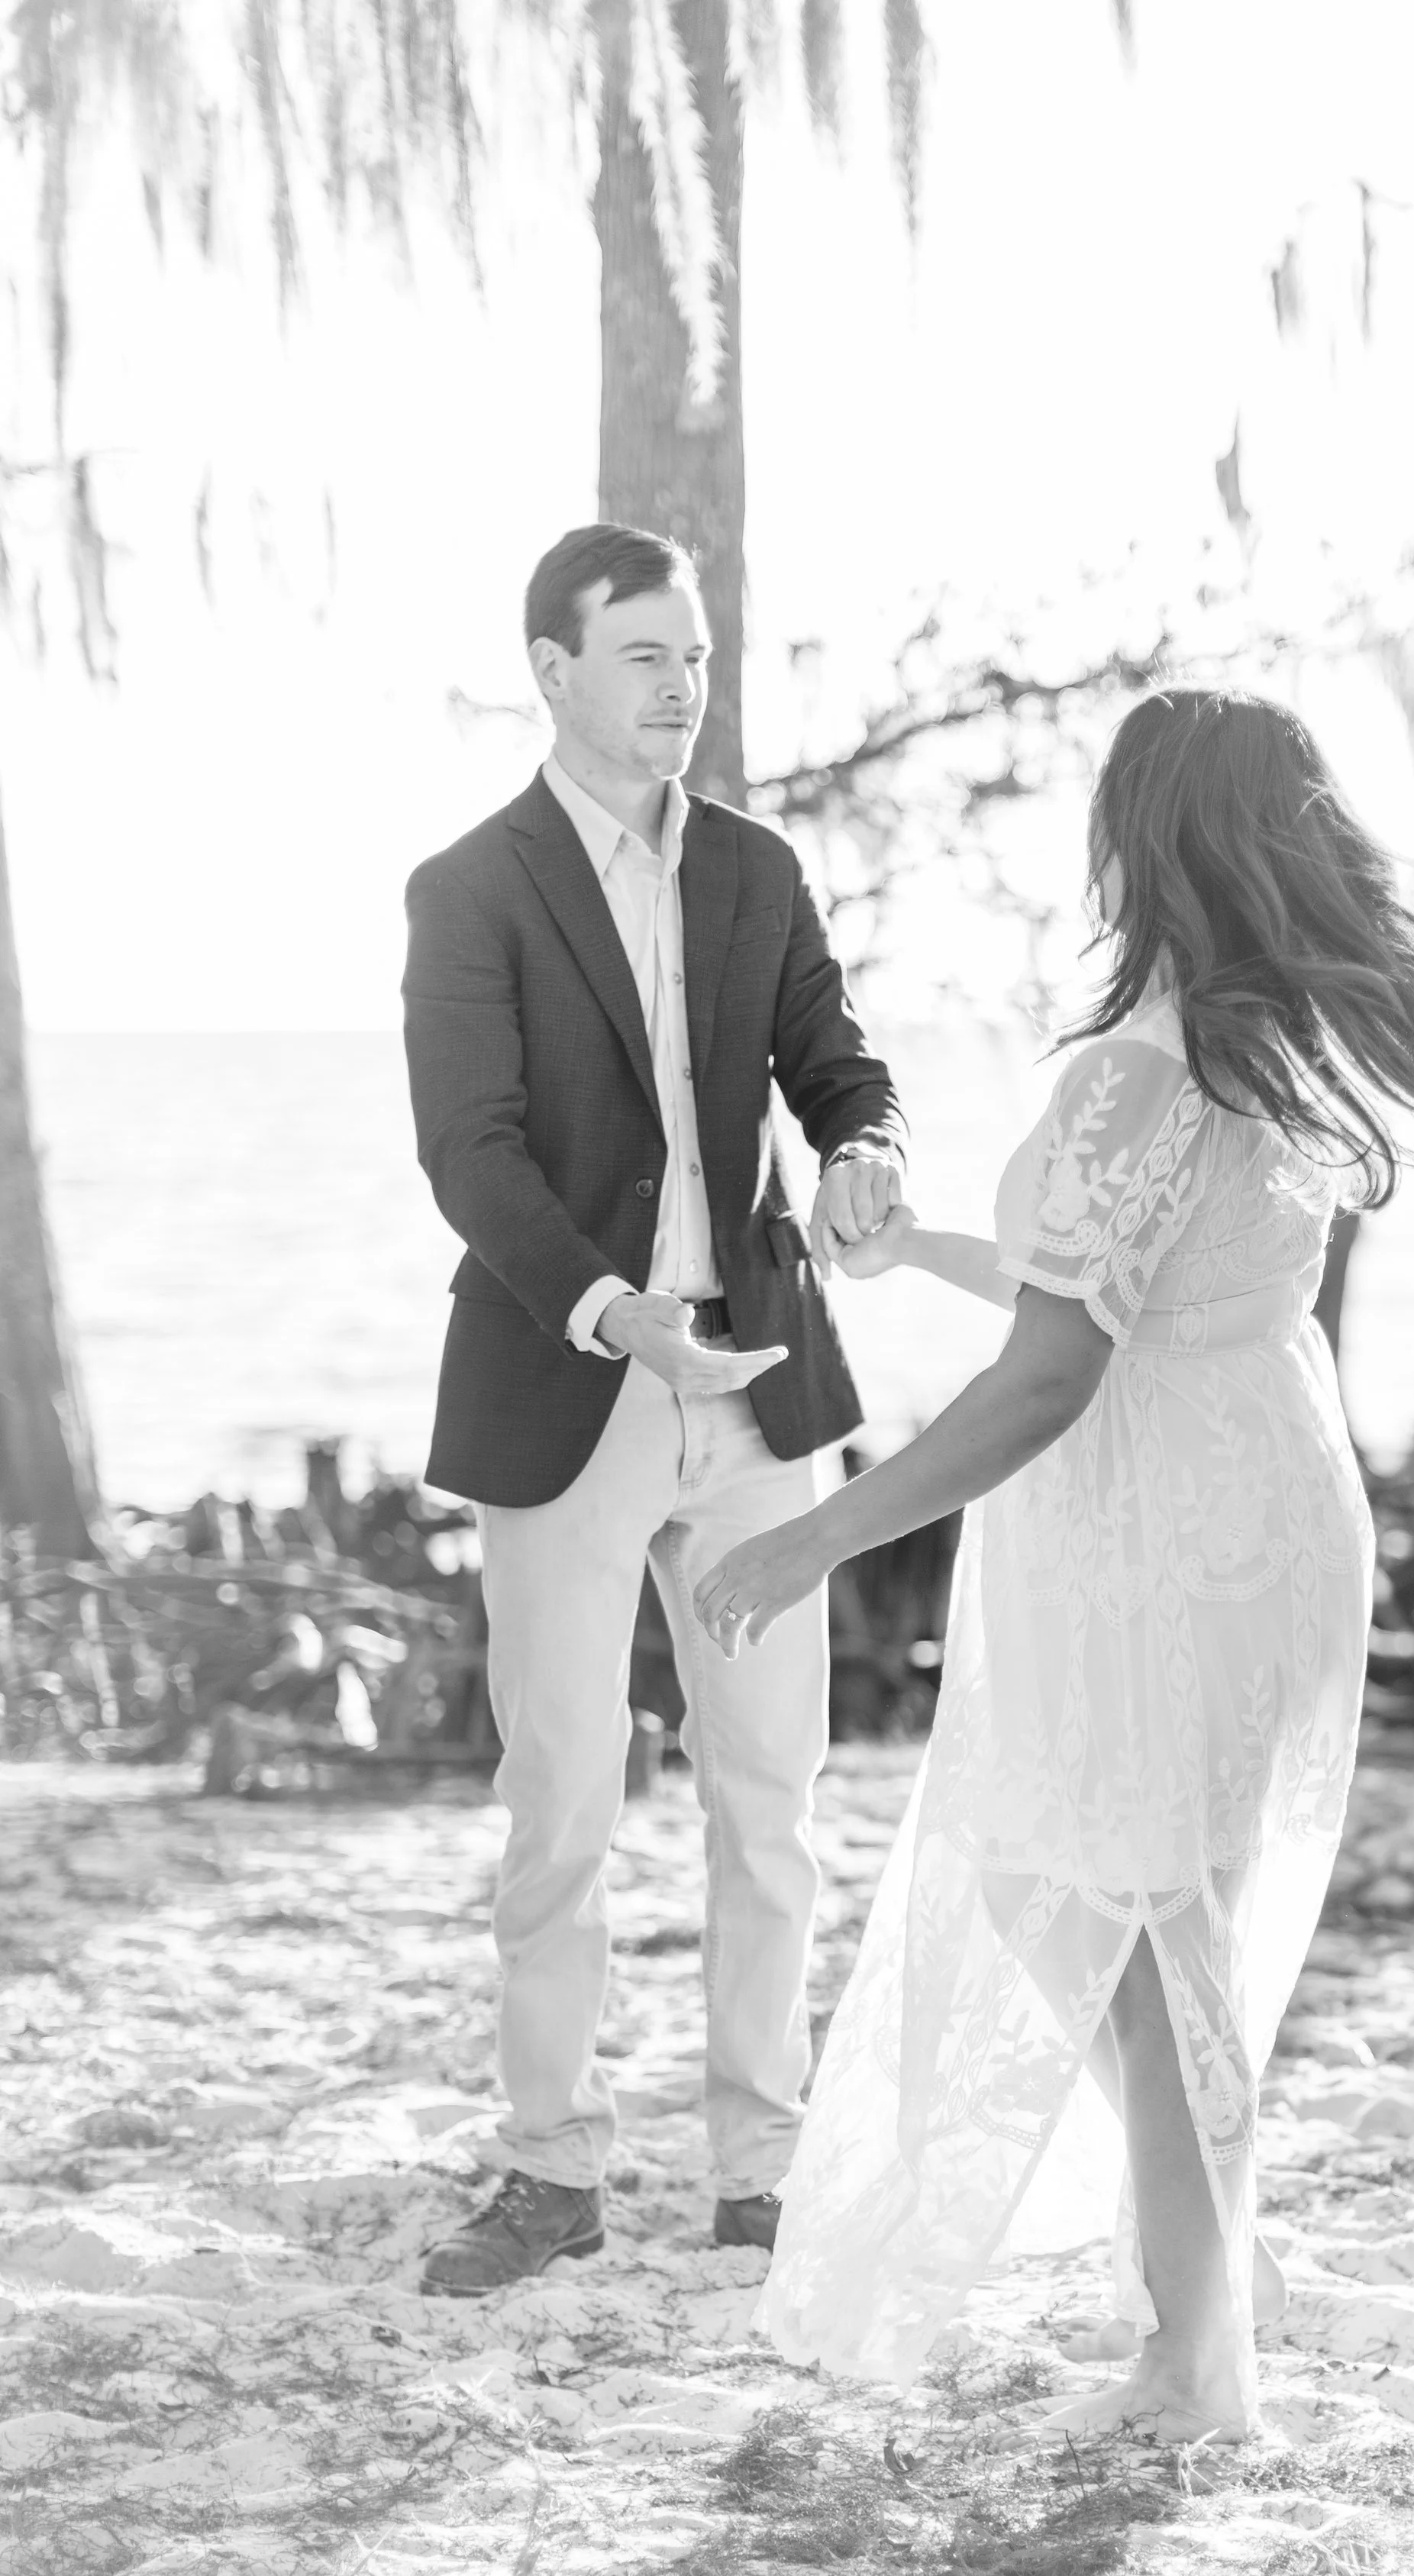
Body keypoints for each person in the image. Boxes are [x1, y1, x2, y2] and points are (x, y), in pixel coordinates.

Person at [693, 689, 1414, 2442]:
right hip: (1261, 1499)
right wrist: (920, 1249)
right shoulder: (1272, 1052)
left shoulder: (1142, 1064)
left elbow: (1048, 1375)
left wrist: (814, 1537)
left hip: (1153, 1529)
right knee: (1140, 1916)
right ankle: (1196, 2316)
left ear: (1141, 840)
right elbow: (1122, 1288)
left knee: (1121, 1920)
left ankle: (1191, 2360)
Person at [402, 524, 905, 2296]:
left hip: (761, 1387)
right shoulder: (469, 892)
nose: (681, 686)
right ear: (553, 667)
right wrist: (619, 1320)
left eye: (693, 656)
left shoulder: (757, 871)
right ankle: (549, 2171)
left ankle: (761, 2166)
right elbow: (471, 1156)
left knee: (771, 1794)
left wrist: (864, 1146)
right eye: (643, 657)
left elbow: (835, 1058)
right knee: (562, 1798)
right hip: (574, 1385)